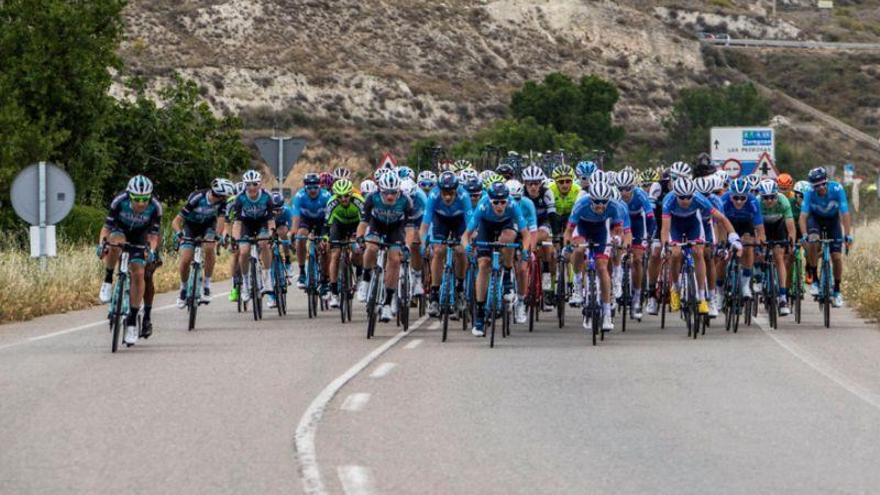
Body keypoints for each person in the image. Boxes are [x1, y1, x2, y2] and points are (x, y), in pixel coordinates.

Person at [97, 175, 162, 346]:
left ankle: (132, 321)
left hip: (140, 236)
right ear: (129, 195)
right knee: (114, 243)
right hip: (120, 230)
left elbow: (154, 235)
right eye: (137, 199)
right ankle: (108, 279)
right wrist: (102, 244)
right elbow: (106, 228)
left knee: (139, 273)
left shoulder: (155, 207)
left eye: (144, 199)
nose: (141, 203)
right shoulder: (119, 201)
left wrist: (152, 250)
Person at [662, 177, 739, 315]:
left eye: (688, 197)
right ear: (676, 195)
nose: (686, 200)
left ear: (693, 193)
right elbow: (665, 228)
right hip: (676, 226)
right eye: (682, 197)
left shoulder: (699, 199)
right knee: (675, 254)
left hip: (693, 224)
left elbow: (721, 218)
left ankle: (702, 297)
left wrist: (733, 236)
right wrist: (665, 245)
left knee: (699, 252)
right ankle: (675, 288)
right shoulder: (669, 200)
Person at [462, 182, 528, 337]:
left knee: (509, 237)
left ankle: (507, 277)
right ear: (490, 200)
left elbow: (526, 235)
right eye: (496, 202)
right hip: (486, 226)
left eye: (503, 202)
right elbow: (465, 235)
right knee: (484, 264)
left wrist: (525, 249)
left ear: (507, 200)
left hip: (506, 225)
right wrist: (466, 247)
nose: (500, 206)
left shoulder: (512, 206)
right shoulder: (483, 205)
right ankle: (479, 314)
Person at [564, 182, 628, 332]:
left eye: (604, 202)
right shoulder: (581, 205)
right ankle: (578, 285)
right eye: (597, 202)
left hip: (601, 231)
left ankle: (606, 313)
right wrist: (568, 245)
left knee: (602, 267)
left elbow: (619, 230)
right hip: (583, 228)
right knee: (578, 251)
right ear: (591, 199)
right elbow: (568, 231)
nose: (600, 205)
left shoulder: (614, 206)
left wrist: (617, 240)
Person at [356, 173, 417, 322]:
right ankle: (365, 280)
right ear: (379, 190)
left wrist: (407, 246)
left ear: (399, 190)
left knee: (395, 260)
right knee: (371, 248)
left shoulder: (406, 201)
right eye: (386, 193)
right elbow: (364, 222)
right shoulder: (371, 198)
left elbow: (410, 229)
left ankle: (388, 303)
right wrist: (360, 237)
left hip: (396, 229)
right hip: (377, 225)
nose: (390, 197)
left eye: (393, 193)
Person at [172, 178, 235, 308]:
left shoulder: (222, 203)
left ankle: (206, 284)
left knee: (209, 247)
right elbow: (176, 221)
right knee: (185, 260)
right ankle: (183, 289)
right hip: (190, 226)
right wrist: (179, 233)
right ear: (219, 194)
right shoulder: (197, 198)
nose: (226, 198)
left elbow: (221, 220)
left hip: (208, 226)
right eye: (225, 196)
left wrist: (217, 236)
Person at [420, 171, 472, 318]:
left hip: (459, 221)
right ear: (439, 190)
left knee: (461, 251)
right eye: (445, 193)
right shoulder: (433, 195)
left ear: (456, 190)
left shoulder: (464, 196)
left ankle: (460, 289)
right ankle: (435, 295)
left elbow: (469, 226)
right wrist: (423, 243)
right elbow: (425, 224)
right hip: (440, 220)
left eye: (451, 193)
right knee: (438, 251)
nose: (448, 196)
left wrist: (468, 243)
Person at [799, 167, 852, 307]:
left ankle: (837, 291)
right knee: (813, 241)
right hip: (815, 220)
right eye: (816, 186)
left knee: (837, 257)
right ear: (812, 186)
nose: (820, 188)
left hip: (833, 221)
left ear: (827, 182)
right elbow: (803, 217)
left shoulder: (837, 189)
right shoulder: (809, 193)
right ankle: (815, 280)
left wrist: (848, 235)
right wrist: (804, 235)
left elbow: (845, 214)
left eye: (823, 184)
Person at [231, 170, 278, 303]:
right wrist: (235, 239)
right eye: (248, 184)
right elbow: (237, 223)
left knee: (264, 244)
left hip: (262, 223)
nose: (251, 187)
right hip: (246, 224)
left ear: (260, 184)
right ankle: (245, 285)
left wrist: (272, 235)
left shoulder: (267, 197)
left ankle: (267, 278)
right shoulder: (240, 198)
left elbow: (270, 221)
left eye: (254, 184)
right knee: (244, 251)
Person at [617, 169, 655, 319]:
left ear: (633, 187)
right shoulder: (615, 197)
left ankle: (637, 298)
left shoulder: (640, 195)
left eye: (627, 188)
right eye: (620, 189)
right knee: (616, 254)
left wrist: (649, 236)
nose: (624, 192)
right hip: (621, 226)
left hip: (638, 225)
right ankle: (616, 283)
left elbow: (650, 218)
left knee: (638, 260)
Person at [720, 177, 764, 300]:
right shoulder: (723, 200)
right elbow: (719, 225)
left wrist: (759, 245)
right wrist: (721, 244)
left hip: (746, 225)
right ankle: (719, 289)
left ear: (747, 196)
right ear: (730, 195)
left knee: (748, 247)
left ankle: (745, 284)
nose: (739, 201)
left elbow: (759, 227)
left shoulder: (753, 201)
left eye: (742, 198)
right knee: (722, 254)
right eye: (735, 198)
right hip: (728, 225)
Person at [324, 178, 364, 309]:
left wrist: (360, 238)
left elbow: (365, 221)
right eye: (340, 196)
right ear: (336, 196)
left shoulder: (359, 201)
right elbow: (327, 225)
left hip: (355, 225)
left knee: (358, 250)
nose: (344, 199)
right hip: (339, 224)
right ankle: (334, 292)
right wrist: (326, 238)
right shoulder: (332, 203)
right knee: (335, 255)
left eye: (346, 195)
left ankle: (359, 275)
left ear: (351, 194)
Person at [758, 179, 796, 315]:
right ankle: (759, 277)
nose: (769, 200)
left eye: (772, 197)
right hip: (762, 227)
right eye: (765, 198)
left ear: (776, 195)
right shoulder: (756, 202)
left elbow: (790, 227)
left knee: (779, 257)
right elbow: (755, 227)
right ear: (761, 196)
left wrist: (791, 243)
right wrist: (759, 244)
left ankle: (783, 297)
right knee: (760, 253)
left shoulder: (783, 201)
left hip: (778, 226)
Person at [291, 173, 332, 295]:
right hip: (305, 220)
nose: (313, 190)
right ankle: (302, 272)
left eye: (315, 187)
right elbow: (296, 218)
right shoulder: (299, 196)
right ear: (305, 188)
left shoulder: (326, 196)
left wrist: (326, 235)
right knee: (301, 236)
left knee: (325, 248)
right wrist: (293, 234)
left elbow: (330, 218)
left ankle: (325, 279)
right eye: (309, 188)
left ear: (320, 186)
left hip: (322, 221)